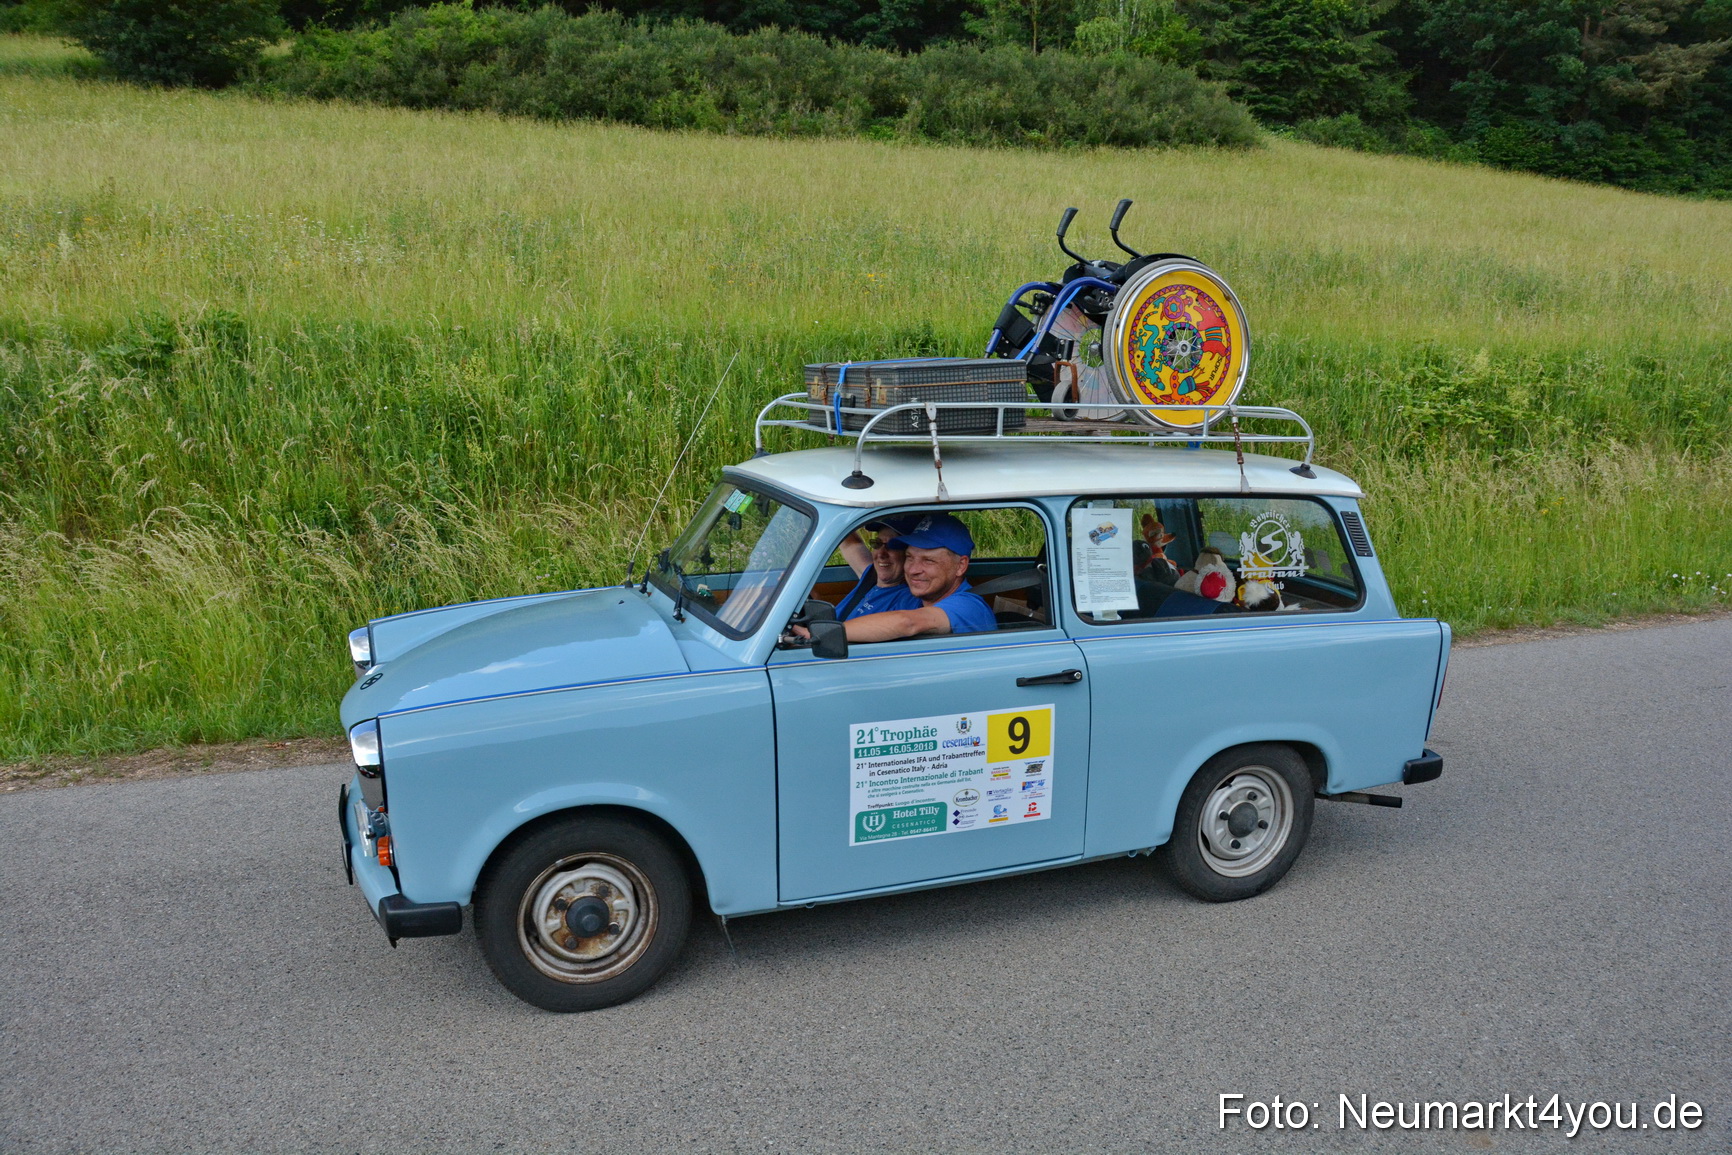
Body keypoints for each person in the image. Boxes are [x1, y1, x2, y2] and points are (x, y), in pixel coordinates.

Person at [842, 513, 996, 642]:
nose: (913, 570)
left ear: (961, 566)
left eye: (928, 560)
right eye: (909, 557)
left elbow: (907, 623)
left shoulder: (969, 606)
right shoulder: (917, 597)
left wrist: (827, 635)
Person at [834, 517, 921, 620]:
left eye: (893, 545)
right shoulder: (870, 575)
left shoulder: (909, 600)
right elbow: (851, 544)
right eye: (877, 543)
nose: (881, 554)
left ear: (910, 554)